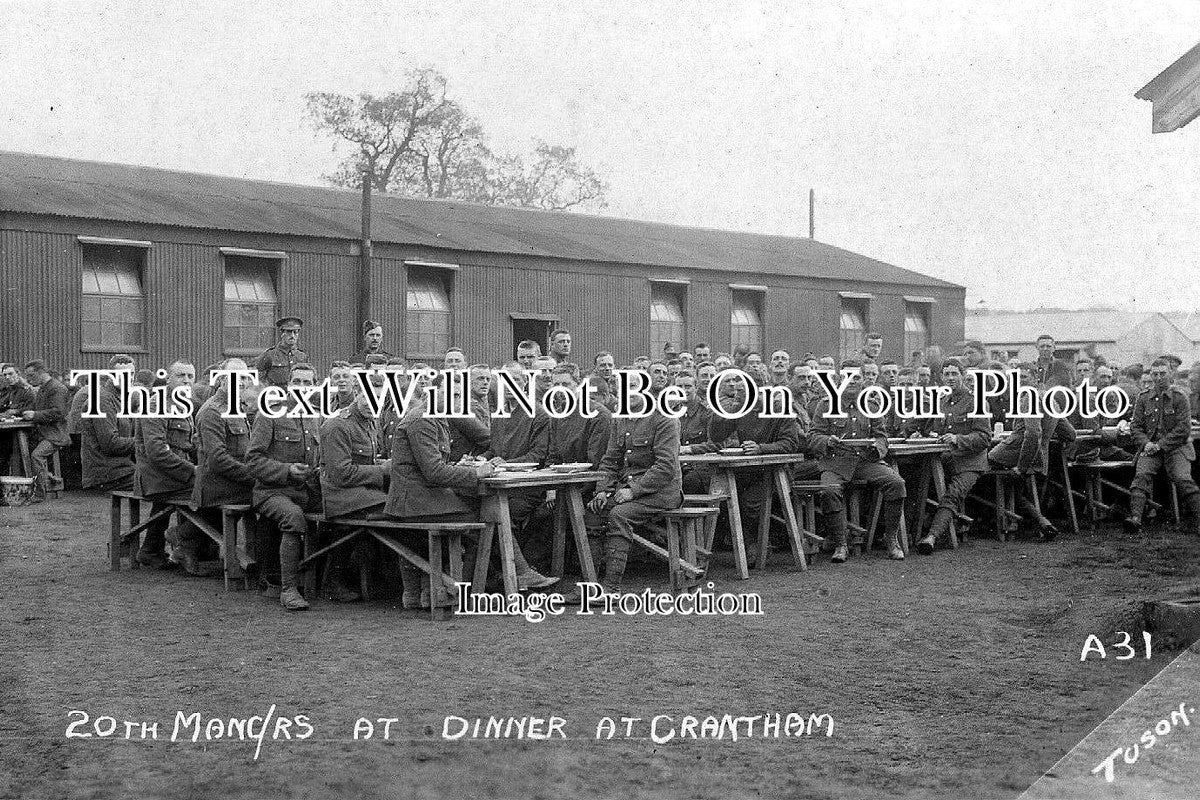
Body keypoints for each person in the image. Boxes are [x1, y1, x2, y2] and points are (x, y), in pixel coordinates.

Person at [561, 384, 682, 604]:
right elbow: (609, 461)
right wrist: (602, 490)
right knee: (592, 513)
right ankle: (588, 586)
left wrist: (633, 491)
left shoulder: (664, 419)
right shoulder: (621, 419)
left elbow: (665, 467)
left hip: (661, 492)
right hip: (626, 491)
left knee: (619, 515)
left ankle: (611, 589)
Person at [246, 363, 325, 611]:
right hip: (272, 492)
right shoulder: (269, 414)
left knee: (342, 510)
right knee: (293, 517)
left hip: (306, 492)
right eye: (297, 382)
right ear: (289, 386)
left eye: (307, 383)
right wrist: (287, 470)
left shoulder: (315, 416)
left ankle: (331, 581)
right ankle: (288, 589)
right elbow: (253, 461)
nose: (302, 387)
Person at [808, 364, 907, 562]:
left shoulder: (871, 406)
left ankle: (891, 540)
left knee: (897, 483)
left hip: (864, 461)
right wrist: (827, 441)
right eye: (847, 377)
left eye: (856, 377)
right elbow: (813, 436)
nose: (852, 381)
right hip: (835, 463)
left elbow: (882, 437)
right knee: (829, 490)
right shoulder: (826, 405)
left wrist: (875, 448)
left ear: (863, 381)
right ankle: (840, 544)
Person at [319, 374, 404, 603]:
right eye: (366, 397)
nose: (371, 403)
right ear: (355, 394)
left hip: (362, 492)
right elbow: (340, 474)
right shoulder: (338, 425)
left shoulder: (369, 421)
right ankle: (333, 582)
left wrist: (381, 467)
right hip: (340, 496)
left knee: (402, 504)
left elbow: (366, 462)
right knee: (399, 510)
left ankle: (388, 578)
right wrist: (383, 471)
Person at [987, 362, 1076, 540]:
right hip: (1039, 457)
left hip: (1016, 453)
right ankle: (1041, 521)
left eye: (1024, 377)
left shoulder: (1029, 398)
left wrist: (1021, 467)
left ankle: (1008, 522)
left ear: (1035, 379)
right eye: (1016, 377)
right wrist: (1052, 438)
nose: (1019, 381)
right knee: (1011, 487)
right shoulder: (1049, 398)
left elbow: (1034, 433)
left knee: (982, 472)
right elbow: (1070, 433)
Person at [913, 359, 992, 554]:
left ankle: (931, 536)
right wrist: (923, 433)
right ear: (941, 377)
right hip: (945, 460)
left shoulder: (976, 401)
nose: (950, 378)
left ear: (963, 376)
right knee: (919, 483)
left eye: (954, 374)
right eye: (946, 374)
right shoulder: (942, 402)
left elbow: (984, 438)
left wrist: (958, 438)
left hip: (970, 462)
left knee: (953, 494)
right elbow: (932, 429)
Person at [132, 360, 203, 571]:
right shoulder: (156, 405)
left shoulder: (183, 405)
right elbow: (157, 452)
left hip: (172, 474)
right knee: (214, 490)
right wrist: (193, 470)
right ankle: (183, 541)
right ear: (169, 379)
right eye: (181, 376)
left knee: (213, 483)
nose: (187, 381)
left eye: (190, 376)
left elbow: (185, 445)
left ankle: (151, 550)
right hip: (155, 476)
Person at [191, 358, 256, 572]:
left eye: (245, 377)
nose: (241, 381)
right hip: (218, 486)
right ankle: (261, 562)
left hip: (234, 482)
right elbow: (217, 460)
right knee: (271, 497)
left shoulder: (237, 407)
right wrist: (254, 476)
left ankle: (260, 558)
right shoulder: (213, 411)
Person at [1125, 358, 1200, 533]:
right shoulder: (1143, 398)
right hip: (1151, 447)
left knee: (1182, 478)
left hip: (1177, 448)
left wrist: (1159, 445)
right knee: (1141, 475)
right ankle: (1135, 518)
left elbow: (1183, 429)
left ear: (1171, 374)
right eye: (1155, 374)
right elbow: (1135, 426)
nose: (1159, 378)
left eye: (1163, 374)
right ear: (1151, 375)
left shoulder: (1180, 397)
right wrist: (1146, 443)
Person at [78, 359, 136, 491]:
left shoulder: (120, 399)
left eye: (131, 374)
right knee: (164, 482)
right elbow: (110, 444)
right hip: (108, 474)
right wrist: (144, 443)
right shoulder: (102, 400)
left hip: (121, 470)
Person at [21, 360, 70, 502]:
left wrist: (35, 415)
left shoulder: (57, 388)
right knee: (20, 451)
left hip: (56, 434)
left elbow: (58, 413)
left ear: (41, 372)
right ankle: (49, 478)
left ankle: (40, 494)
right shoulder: (44, 388)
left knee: (36, 456)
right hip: (44, 433)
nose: (29, 380)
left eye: (31, 376)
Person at [255, 317, 308, 388]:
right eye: (289, 332)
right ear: (282, 333)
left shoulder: (302, 356)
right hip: (275, 396)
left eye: (295, 332)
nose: (292, 336)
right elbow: (258, 378)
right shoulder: (270, 355)